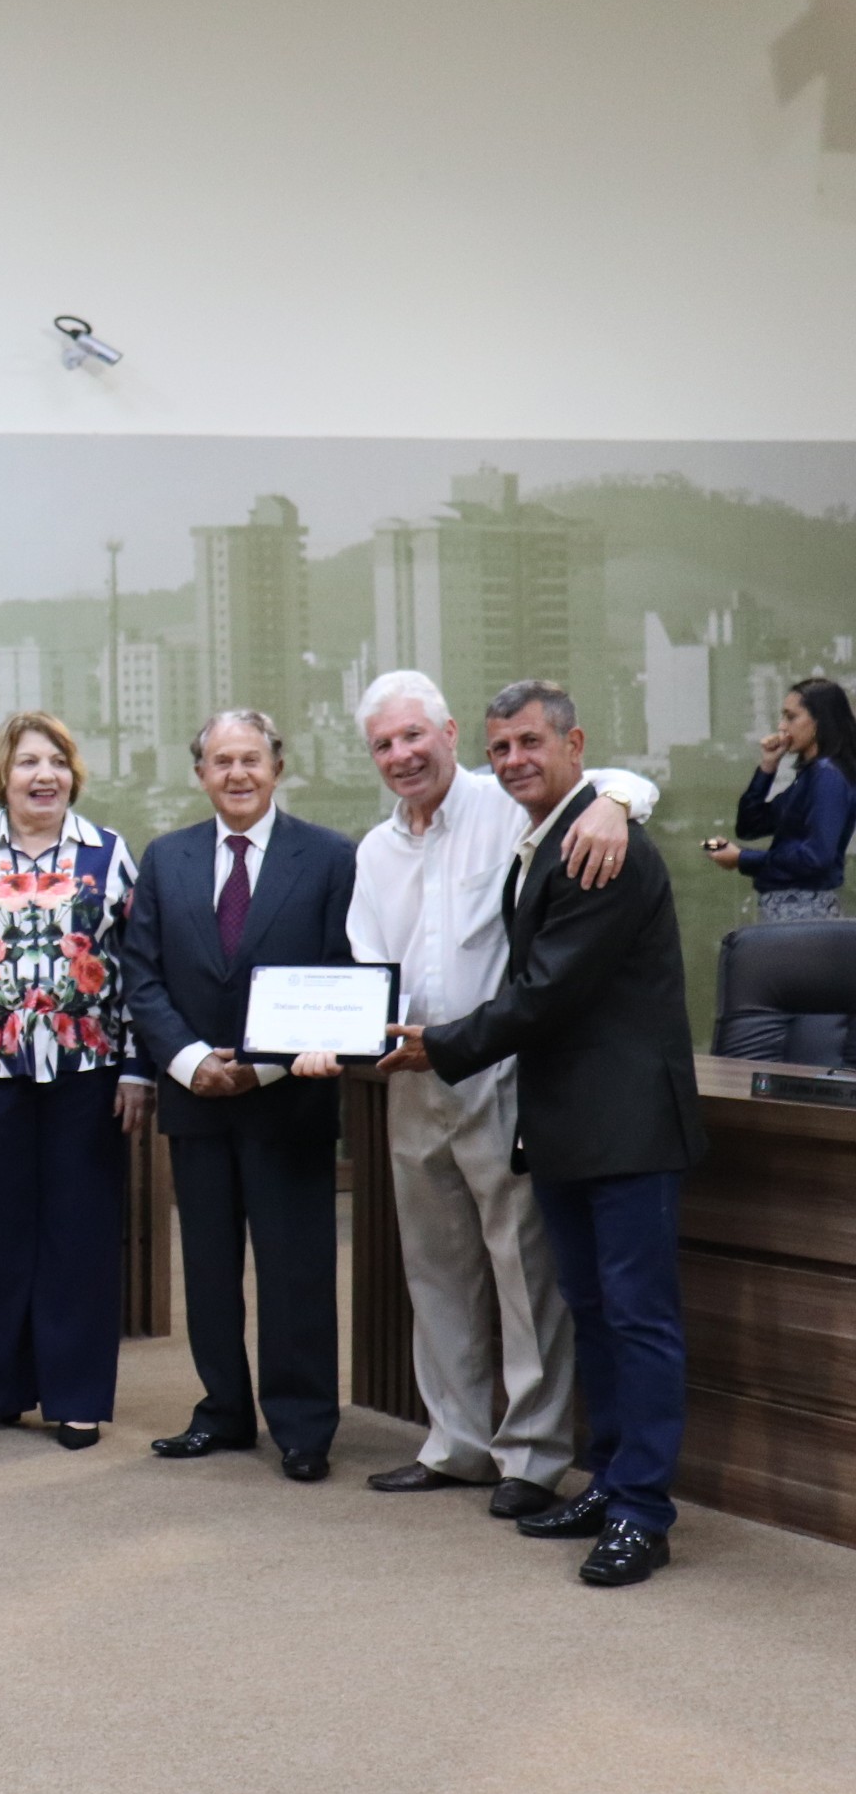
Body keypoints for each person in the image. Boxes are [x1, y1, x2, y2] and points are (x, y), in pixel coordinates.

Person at [384, 681, 706, 1588]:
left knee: (640, 1320)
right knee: (595, 1312)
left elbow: (551, 989)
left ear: (576, 748)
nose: (516, 760)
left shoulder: (602, 844)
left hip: (629, 1125)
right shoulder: (554, 838)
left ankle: (643, 1511)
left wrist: (439, 1045)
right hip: (564, 1122)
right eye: (502, 749)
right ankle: (610, 1477)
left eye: (532, 743)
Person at [315, 669, 650, 1517]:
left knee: (523, 1273)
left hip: (501, 1072)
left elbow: (611, 785)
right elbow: (366, 970)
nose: (401, 755)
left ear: (449, 732)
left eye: (413, 736)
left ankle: (533, 1456)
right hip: (408, 1079)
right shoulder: (374, 849)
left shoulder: (509, 806)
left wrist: (622, 799)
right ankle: (456, 1442)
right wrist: (326, 1033)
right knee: (436, 1269)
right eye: (384, 744)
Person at [118, 711, 357, 1483]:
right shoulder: (166, 858)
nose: (237, 775)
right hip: (198, 1099)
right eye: (220, 762)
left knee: (295, 1273)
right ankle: (222, 1410)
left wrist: (263, 1067)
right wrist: (190, 1062)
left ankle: (302, 1425)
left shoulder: (328, 858)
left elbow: (339, 973)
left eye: (250, 759)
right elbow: (142, 976)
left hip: (288, 1100)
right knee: (210, 1272)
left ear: (278, 766)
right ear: (200, 774)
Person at [0, 712, 155, 1449]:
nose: (42, 775)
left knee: (79, 1236)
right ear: (1, 777)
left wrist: (140, 1067)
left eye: (55, 762)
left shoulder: (108, 855)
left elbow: (140, 969)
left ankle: (75, 1397)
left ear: (73, 774)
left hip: (89, 1071)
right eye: (26, 763)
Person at [704, 676, 855, 921]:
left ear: (820, 721)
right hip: (789, 910)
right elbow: (749, 825)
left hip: (806, 912)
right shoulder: (809, 777)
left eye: (791, 717)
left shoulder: (828, 776)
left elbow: (817, 856)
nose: (782, 727)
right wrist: (767, 767)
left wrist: (743, 859)